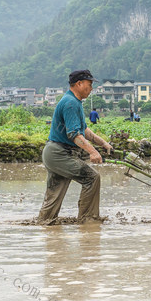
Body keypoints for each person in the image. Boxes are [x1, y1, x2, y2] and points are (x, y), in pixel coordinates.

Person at [36, 69, 113, 223]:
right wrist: (93, 152)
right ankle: (88, 220)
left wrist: (103, 143)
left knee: (55, 192)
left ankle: (45, 223)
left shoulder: (74, 101)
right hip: (59, 153)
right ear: (79, 83)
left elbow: (84, 130)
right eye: (89, 84)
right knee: (91, 177)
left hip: (55, 153)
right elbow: (73, 134)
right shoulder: (70, 103)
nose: (91, 89)